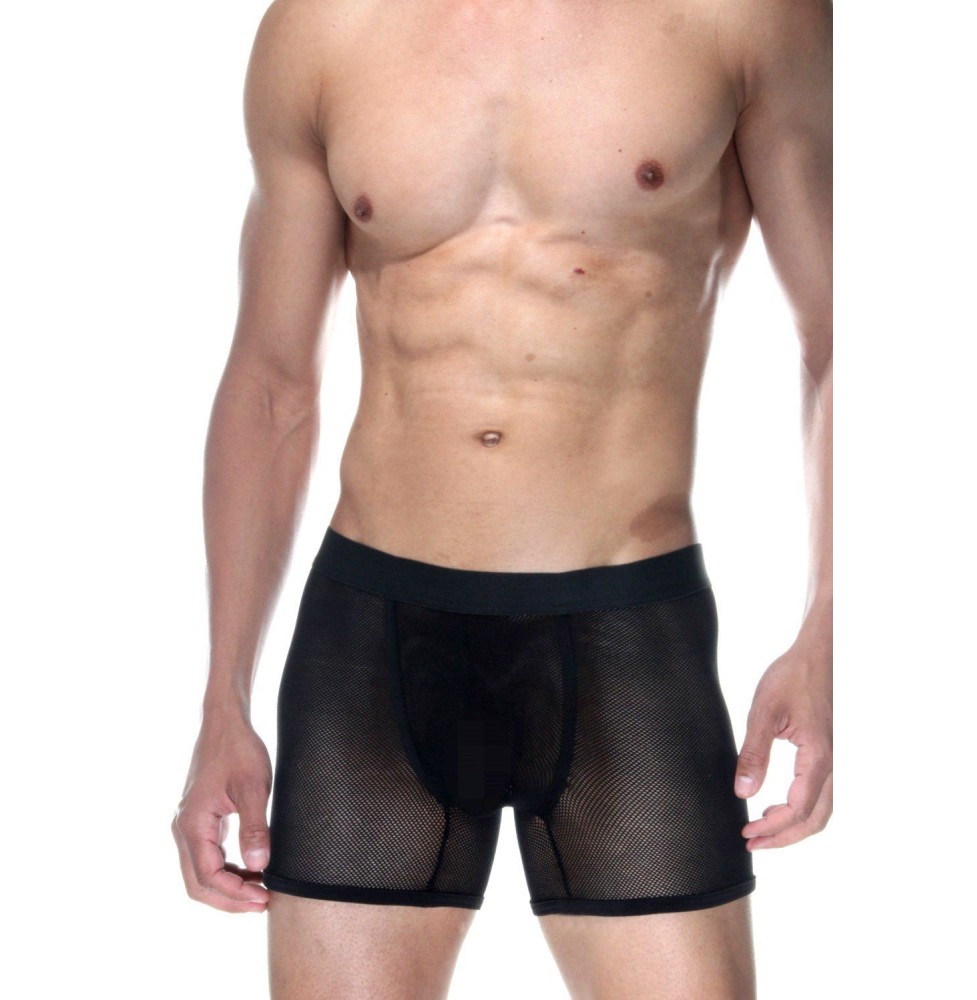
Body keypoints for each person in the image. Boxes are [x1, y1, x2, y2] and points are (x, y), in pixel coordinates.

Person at [171, 0, 832, 995]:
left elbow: (843, 335)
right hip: (372, 644)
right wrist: (223, 696)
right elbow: (271, 382)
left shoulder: (736, 17)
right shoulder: (322, 29)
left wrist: (830, 629)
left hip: (625, 631)